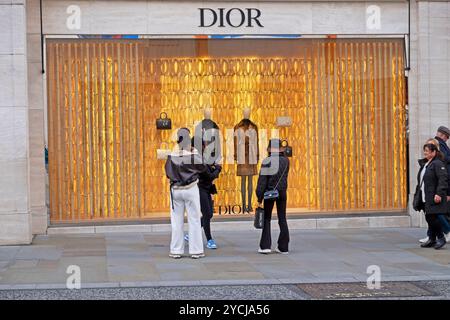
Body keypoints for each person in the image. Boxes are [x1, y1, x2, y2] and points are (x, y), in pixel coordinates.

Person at [165, 128, 207, 259]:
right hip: (190, 188)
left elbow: (167, 172)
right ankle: (196, 250)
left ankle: (176, 250)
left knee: (176, 221)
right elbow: (203, 167)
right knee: (194, 219)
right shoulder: (193, 154)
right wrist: (194, 152)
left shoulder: (173, 154)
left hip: (176, 189)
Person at [185, 136, 222, 249]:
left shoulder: (201, 157)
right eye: (204, 144)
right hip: (200, 189)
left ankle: (191, 234)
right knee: (207, 214)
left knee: (209, 214)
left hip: (205, 188)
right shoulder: (197, 158)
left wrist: (214, 167)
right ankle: (209, 239)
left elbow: (208, 171)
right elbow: (209, 175)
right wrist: (218, 168)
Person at [255, 139, 290, 254]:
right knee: (282, 218)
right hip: (282, 193)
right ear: (280, 148)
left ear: (269, 149)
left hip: (269, 193)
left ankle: (265, 246)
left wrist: (259, 197)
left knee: (267, 219)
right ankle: (283, 247)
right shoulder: (286, 161)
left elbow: (262, 182)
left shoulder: (267, 161)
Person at [414, 143, 448, 249]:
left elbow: (443, 179)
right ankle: (432, 239)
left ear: (434, 152)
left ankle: (441, 238)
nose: (425, 153)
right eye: (424, 150)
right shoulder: (427, 164)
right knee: (429, 218)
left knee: (432, 218)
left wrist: (439, 193)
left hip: (434, 196)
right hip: (425, 196)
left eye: (427, 151)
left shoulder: (437, 163)